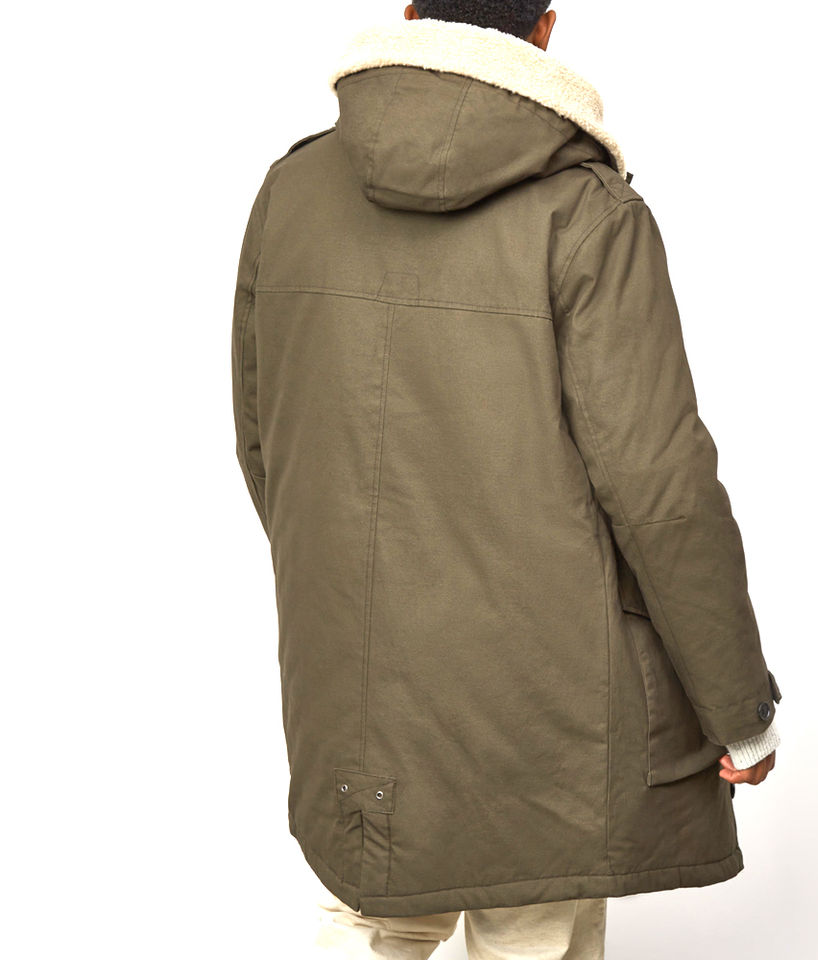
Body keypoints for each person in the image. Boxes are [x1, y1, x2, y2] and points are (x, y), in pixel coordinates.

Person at [231, 2, 782, 956]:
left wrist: (355, 597)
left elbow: (262, 437)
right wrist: (739, 710)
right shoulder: (586, 211)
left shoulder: (294, 188)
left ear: (411, 12)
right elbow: (660, 487)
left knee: (367, 919)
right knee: (530, 925)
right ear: (545, 28)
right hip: (544, 713)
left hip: (353, 695)